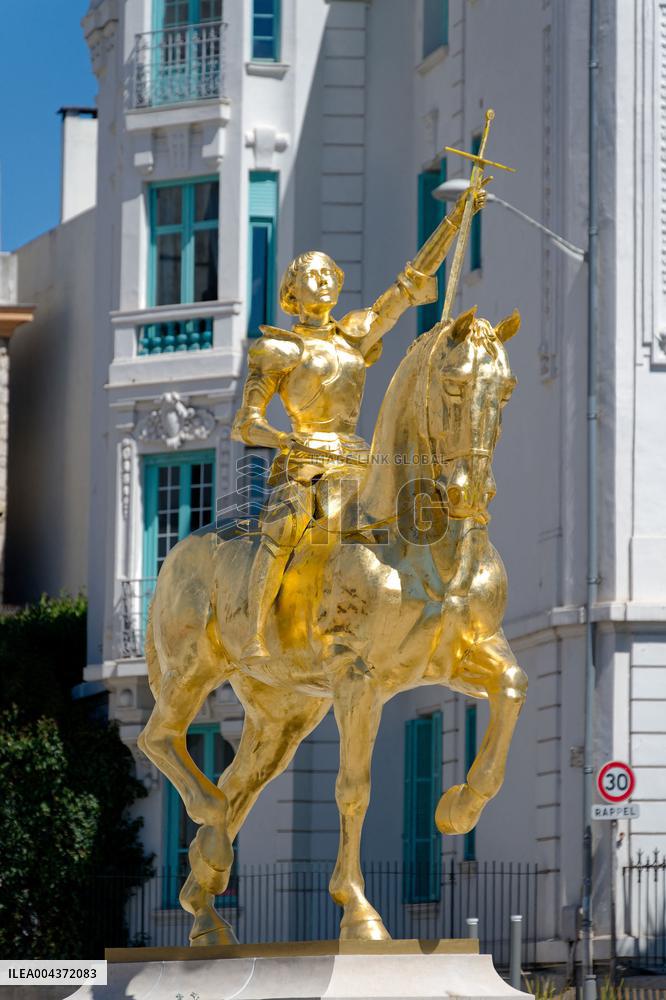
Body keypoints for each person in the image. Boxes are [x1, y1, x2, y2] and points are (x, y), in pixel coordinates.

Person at [231, 184, 486, 663]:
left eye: (329, 272)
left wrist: (454, 222)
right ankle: (253, 629)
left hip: (356, 457)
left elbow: (408, 287)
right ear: (291, 291)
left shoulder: (354, 337)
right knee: (285, 526)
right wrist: (287, 440)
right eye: (311, 275)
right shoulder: (278, 349)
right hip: (305, 465)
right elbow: (246, 424)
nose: (323, 280)